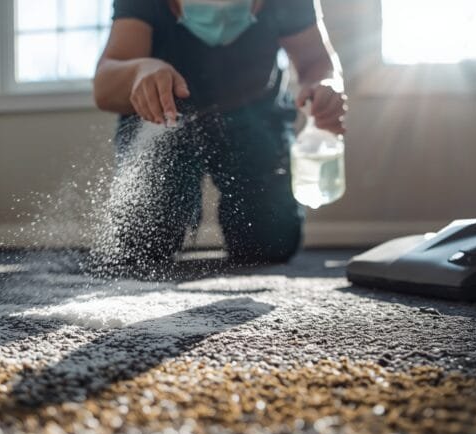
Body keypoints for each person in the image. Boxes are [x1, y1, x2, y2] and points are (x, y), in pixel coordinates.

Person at [90, 0, 348, 276]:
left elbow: (315, 62)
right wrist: (140, 70)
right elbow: (105, 88)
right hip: (165, 121)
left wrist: (326, 85)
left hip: (255, 120)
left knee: (271, 244)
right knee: (142, 247)